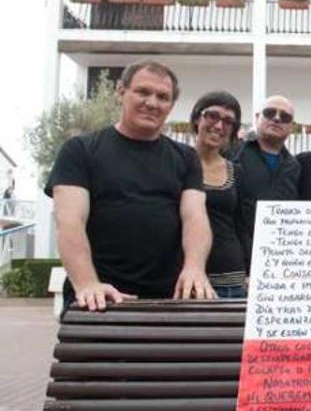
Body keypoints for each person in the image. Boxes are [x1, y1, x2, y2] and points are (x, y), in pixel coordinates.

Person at [46, 60, 215, 311]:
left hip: (169, 300)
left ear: (171, 105)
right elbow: (70, 221)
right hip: (100, 298)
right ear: (121, 92)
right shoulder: (80, 150)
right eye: (143, 92)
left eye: (162, 96)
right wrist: (87, 283)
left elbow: (195, 217)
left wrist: (194, 268)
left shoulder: (186, 157)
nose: (152, 103)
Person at [191, 91, 248, 298]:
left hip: (231, 280)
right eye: (212, 116)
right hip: (187, 278)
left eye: (228, 121)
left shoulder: (236, 171)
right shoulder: (177, 162)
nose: (219, 125)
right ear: (197, 118)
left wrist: (250, 272)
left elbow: (242, 225)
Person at [233, 95, 301, 268]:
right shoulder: (232, 154)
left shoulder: (294, 167)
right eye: (270, 112)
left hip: (278, 265)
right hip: (235, 264)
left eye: (285, 117)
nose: (277, 118)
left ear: (291, 127)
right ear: (257, 117)